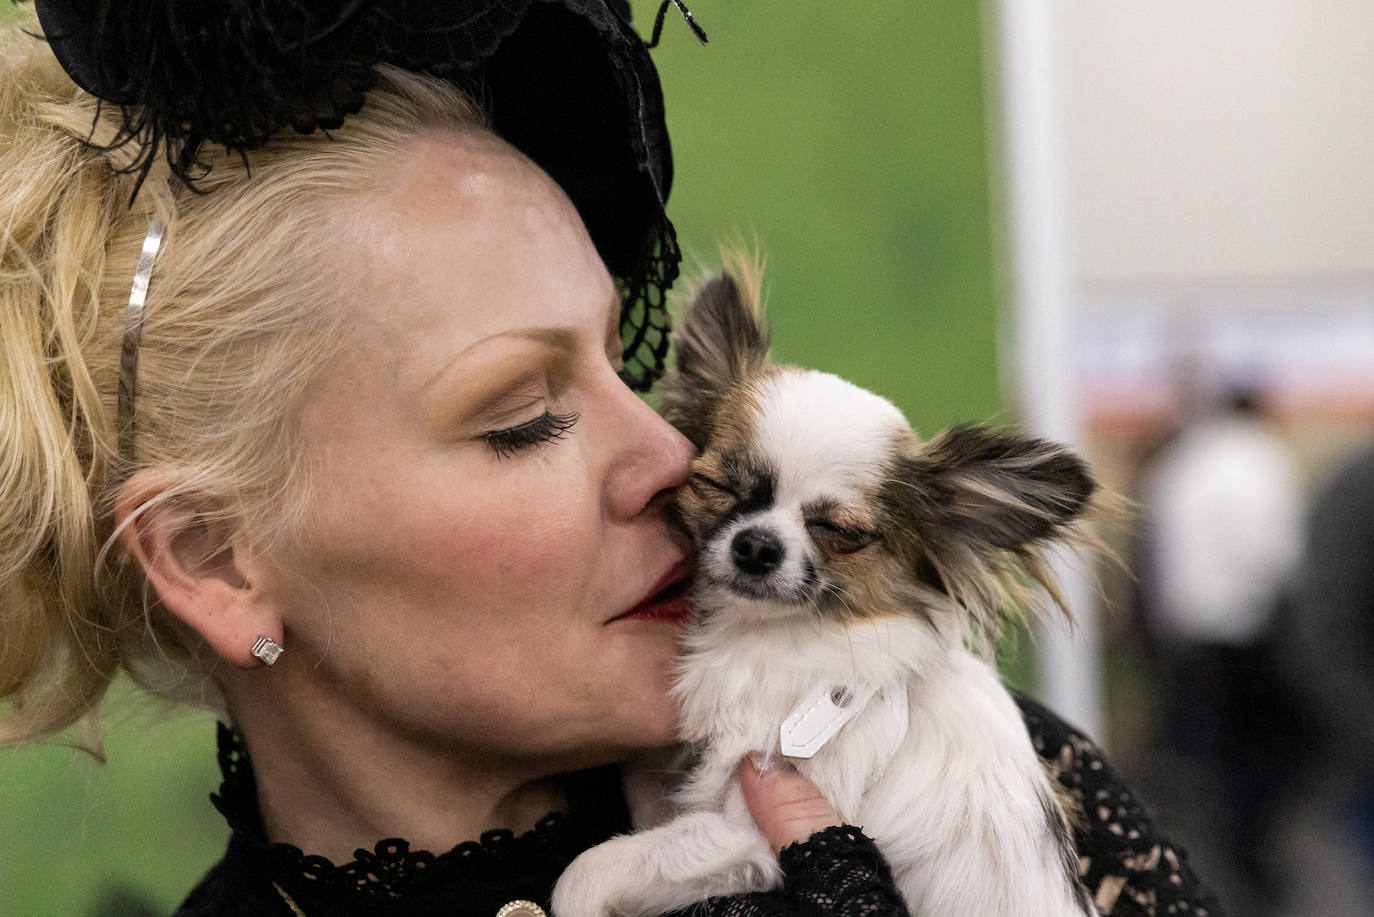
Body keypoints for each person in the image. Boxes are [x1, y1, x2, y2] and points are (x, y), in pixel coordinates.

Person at [0, 3, 1221, 915]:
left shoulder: (967, 759)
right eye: (523, 414)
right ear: (217, 559)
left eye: (619, 367)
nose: (666, 451)